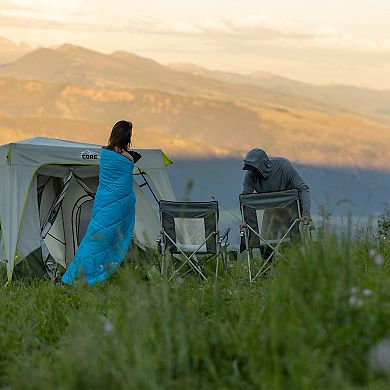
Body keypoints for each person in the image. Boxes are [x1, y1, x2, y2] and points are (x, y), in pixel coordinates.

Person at [62, 120, 136, 285]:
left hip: (103, 203)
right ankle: (98, 273)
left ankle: (77, 273)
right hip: (119, 207)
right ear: (126, 137)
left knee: (94, 238)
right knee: (111, 241)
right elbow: (125, 182)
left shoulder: (104, 154)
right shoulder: (127, 157)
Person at [242, 148, 311, 224]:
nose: (253, 172)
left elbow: (303, 188)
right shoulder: (250, 175)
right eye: (250, 169)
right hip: (269, 212)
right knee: (266, 235)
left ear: (263, 165)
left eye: (255, 169)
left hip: (291, 211)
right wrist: (245, 219)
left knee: (294, 234)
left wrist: (306, 213)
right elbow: (246, 199)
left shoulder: (284, 166)